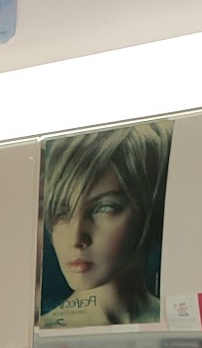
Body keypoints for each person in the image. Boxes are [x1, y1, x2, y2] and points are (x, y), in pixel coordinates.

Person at [36, 122, 172, 329]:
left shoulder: (179, 320)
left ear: (149, 209)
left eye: (105, 207)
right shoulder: (42, 331)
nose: (76, 238)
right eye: (62, 212)